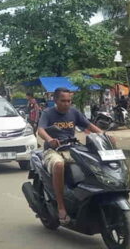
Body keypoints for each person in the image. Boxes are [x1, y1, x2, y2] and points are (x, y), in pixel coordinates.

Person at [36, 87, 105, 225]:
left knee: (92, 164)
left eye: (69, 101)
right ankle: (61, 206)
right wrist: (50, 140)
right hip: (53, 150)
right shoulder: (47, 113)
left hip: (72, 149)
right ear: (55, 100)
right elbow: (40, 129)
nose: (66, 103)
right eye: (63, 101)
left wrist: (105, 136)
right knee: (59, 165)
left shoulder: (74, 112)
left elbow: (89, 126)